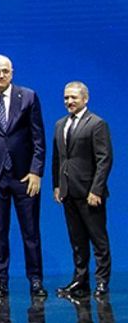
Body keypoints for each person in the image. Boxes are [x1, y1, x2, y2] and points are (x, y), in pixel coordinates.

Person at [0, 55, 46, 298]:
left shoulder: (28, 96)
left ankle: (36, 281)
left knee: (31, 232)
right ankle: (1, 283)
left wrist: (36, 171)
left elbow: (38, 138)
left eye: (5, 71)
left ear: (12, 72)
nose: (1, 75)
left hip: (25, 177)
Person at [52, 81, 113, 299]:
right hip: (68, 192)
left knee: (98, 240)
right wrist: (57, 185)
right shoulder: (60, 124)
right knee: (77, 241)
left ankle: (102, 282)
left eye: (73, 97)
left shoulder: (96, 123)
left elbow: (104, 159)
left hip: (89, 193)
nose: (69, 101)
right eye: (66, 97)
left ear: (85, 99)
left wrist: (96, 190)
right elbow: (58, 158)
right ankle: (80, 280)